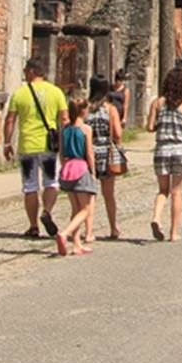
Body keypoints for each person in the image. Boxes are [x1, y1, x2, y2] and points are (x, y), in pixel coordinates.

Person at [3, 58, 69, 239]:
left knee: (30, 187)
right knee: (51, 183)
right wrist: (65, 146)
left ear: (32, 71)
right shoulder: (56, 92)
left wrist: (7, 143)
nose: (24, 73)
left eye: (26, 70)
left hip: (27, 147)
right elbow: (64, 120)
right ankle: (46, 211)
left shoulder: (19, 93)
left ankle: (33, 226)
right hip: (49, 146)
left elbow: (10, 120)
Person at [146, 66, 182, 241]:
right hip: (180, 150)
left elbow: (149, 127)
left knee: (162, 190)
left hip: (162, 149)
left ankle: (156, 217)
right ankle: (174, 233)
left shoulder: (157, 103)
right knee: (177, 192)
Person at [54, 95, 98, 257]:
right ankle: (65, 233)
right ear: (82, 111)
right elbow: (89, 152)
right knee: (86, 209)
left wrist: (63, 167)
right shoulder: (86, 129)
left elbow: (61, 152)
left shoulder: (64, 129)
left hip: (67, 168)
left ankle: (77, 244)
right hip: (81, 167)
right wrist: (93, 172)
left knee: (75, 209)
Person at [86, 75, 125, 240]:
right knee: (109, 195)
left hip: (88, 153)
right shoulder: (110, 109)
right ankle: (113, 228)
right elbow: (117, 134)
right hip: (106, 154)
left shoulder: (85, 109)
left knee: (90, 195)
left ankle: (89, 231)